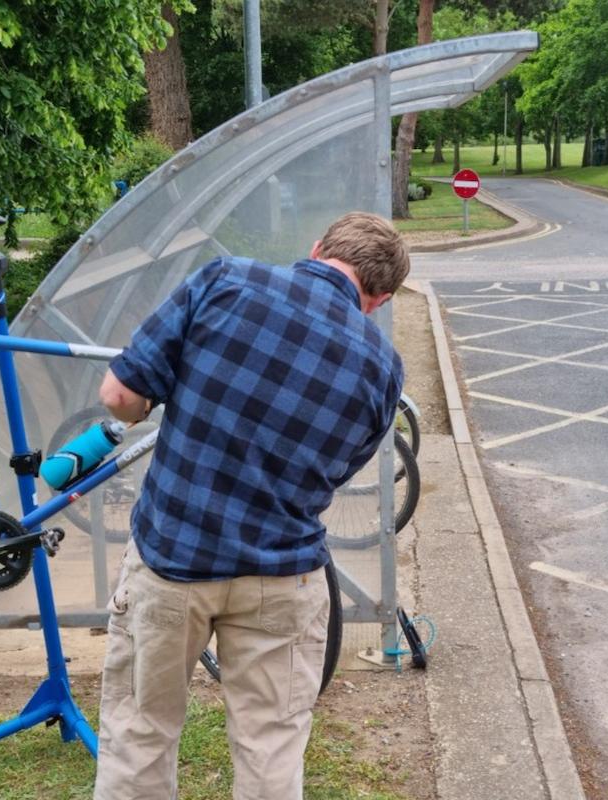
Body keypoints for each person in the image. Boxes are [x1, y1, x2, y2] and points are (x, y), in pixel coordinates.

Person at [92, 211, 411, 800]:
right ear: (380, 298)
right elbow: (339, 470)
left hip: (171, 559)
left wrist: (151, 411)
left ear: (316, 249)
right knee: (271, 748)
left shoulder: (227, 280)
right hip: (282, 576)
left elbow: (120, 395)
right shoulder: (384, 367)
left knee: (140, 733)